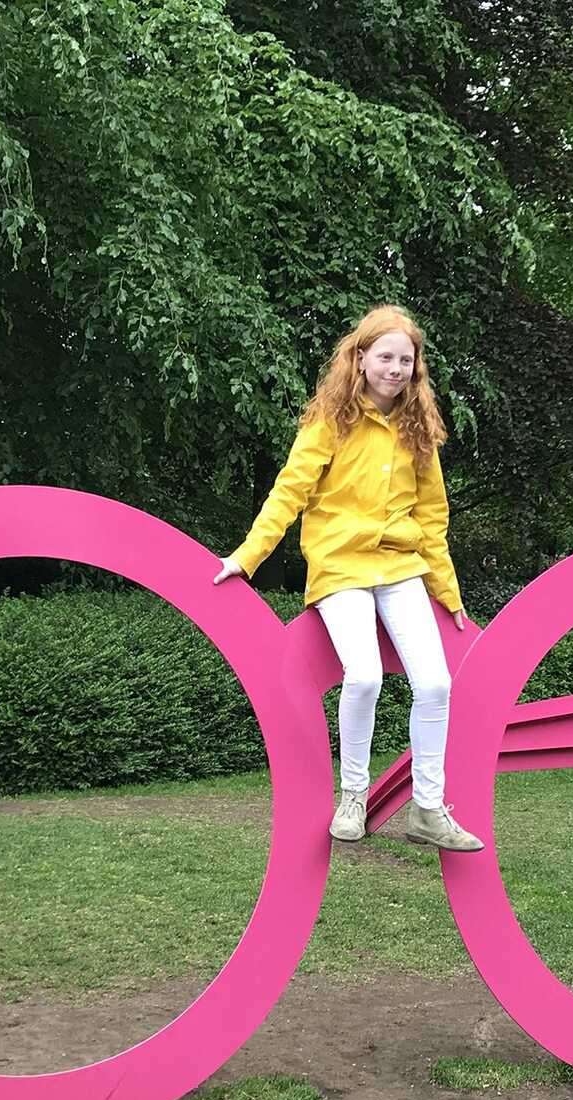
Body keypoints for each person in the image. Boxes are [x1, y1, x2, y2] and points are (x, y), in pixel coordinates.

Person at [213, 304, 482, 853]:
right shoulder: (330, 421)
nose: (396, 369)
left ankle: (428, 810)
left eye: (406, 360)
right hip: (340, 566)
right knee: (364, 677)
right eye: (385, 357)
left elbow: (433, 519)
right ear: (360, 358)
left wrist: (447, 593)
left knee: (436, 684)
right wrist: (248, 556)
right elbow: (290, 492)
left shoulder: (419, 429)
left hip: (401, 568)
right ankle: (353, 797)